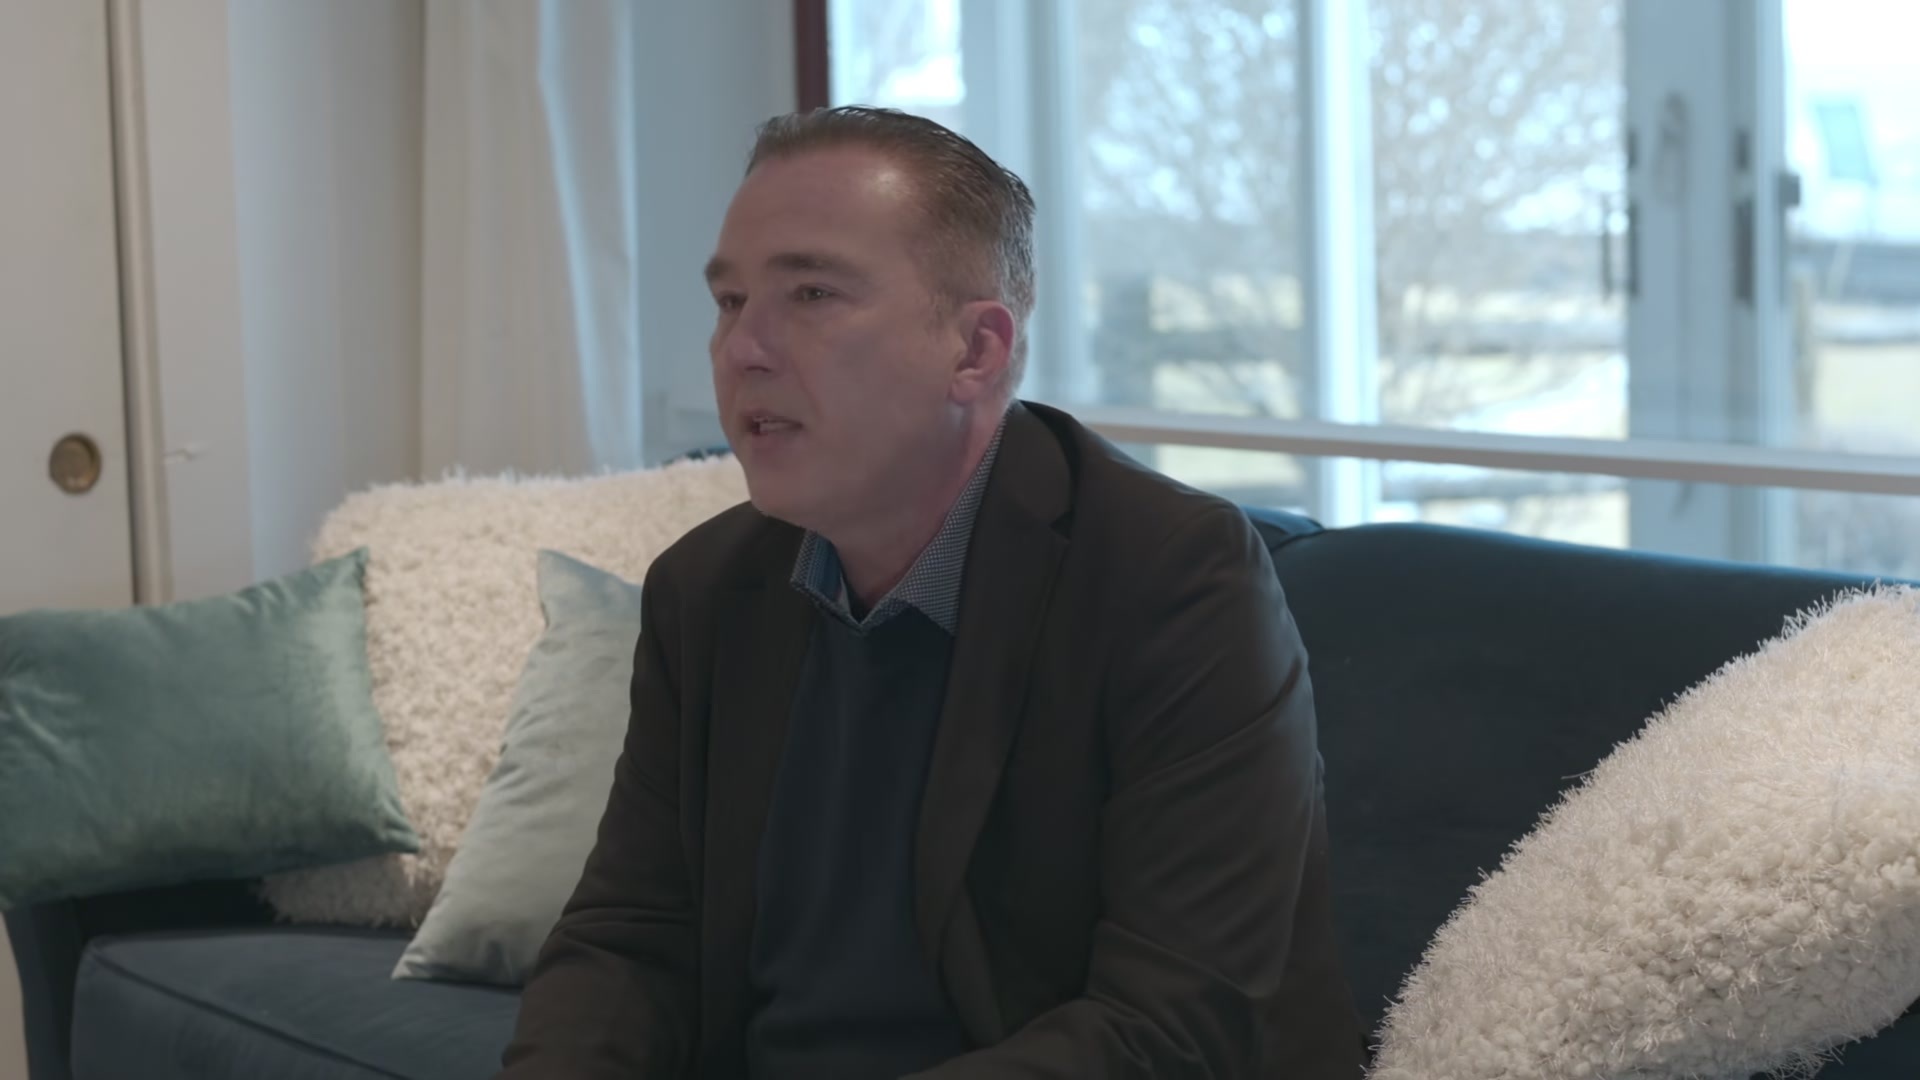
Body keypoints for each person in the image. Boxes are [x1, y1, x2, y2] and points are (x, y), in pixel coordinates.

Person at [497, 106, 1364, 1079]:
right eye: (731, 301)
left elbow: (1174, 1026)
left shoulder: (1175, 578)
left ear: (976, 351)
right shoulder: (706, 589)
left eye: (812, 293)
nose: (742, 349)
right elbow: (630, 938)